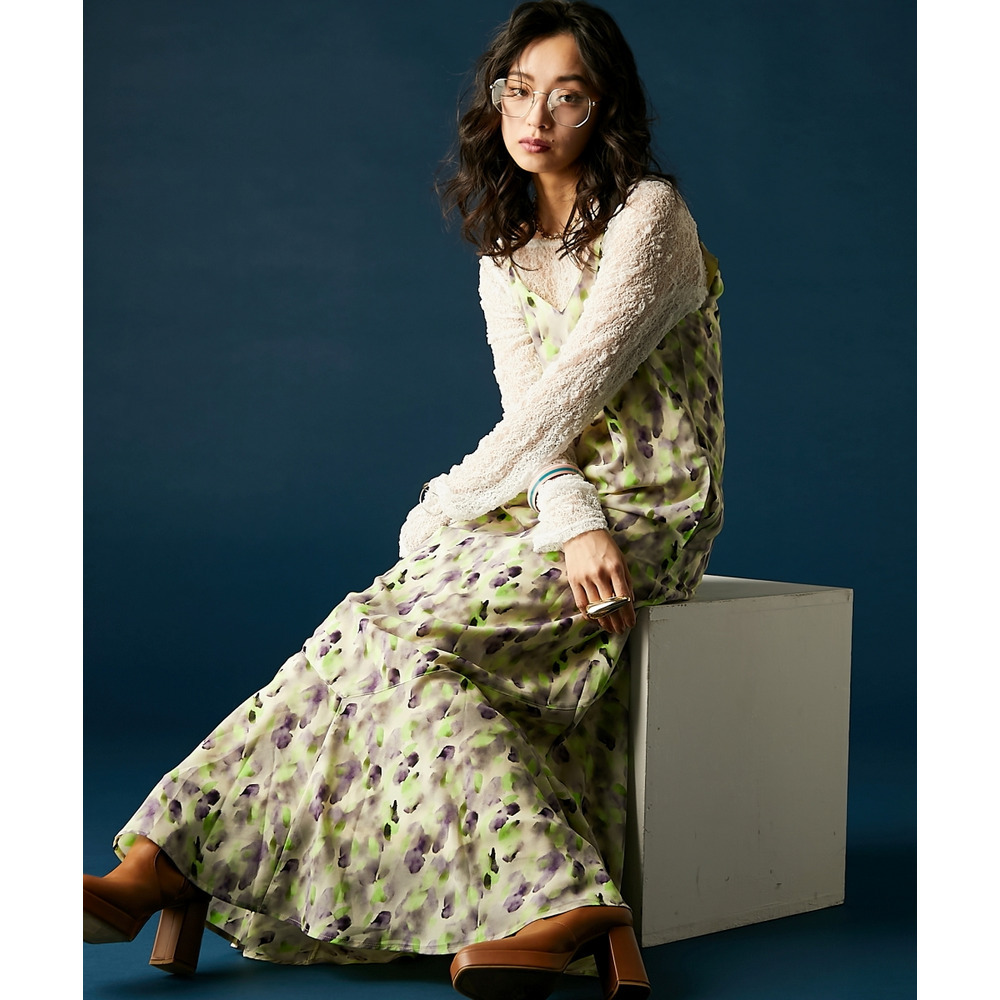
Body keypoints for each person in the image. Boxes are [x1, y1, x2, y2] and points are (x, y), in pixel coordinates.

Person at [82, 2, 724, 998]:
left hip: (653, 504)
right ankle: (165, 861)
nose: (535, 118)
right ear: (495, 96)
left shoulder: (648, 217)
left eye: (566, 97)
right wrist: (565, 512)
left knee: (393, 633)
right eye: (518, 90)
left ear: (605, 110)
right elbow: (534, 421)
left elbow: (570, 394)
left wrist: (443, 507)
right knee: (378, 637)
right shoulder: (507, 244)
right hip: (556, 501)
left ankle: (170, 864)